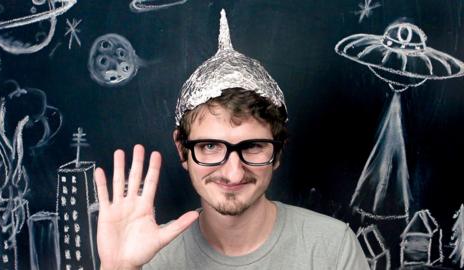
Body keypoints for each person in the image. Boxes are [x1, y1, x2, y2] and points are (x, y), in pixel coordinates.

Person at [95, 10, 370, 270]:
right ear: (182, 150)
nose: (233, 173)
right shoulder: (147, 256)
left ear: (279, 151)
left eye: (252, 146)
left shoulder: (331, 248)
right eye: (211, 146)